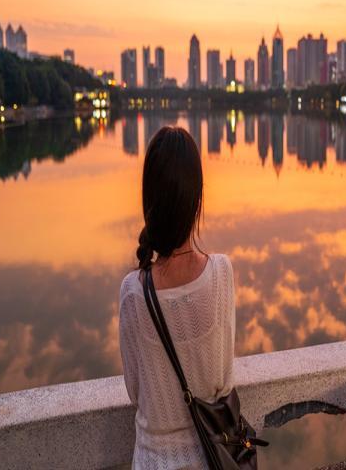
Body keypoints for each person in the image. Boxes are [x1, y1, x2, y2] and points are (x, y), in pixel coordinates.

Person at [119, 126, 235, 469]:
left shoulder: (133, 292)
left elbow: (135, 391)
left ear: (148, 201)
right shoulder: (221, 273)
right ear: (197, 199)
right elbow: (224, 381)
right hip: (212, 457)